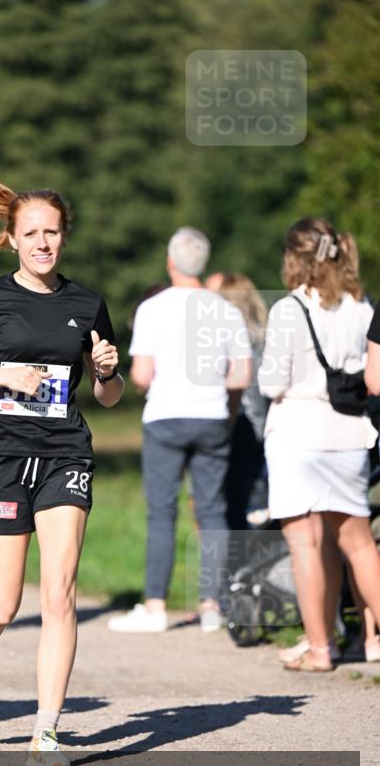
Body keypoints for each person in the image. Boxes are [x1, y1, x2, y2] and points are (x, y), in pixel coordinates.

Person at [0, 172, 123, 766]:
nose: (44, 243)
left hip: (66, 452)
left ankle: (47, 732)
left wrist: (107, 371)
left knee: (61, 591)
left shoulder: (87, 303)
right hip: (3, 455)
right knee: (4, 603)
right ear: (12, 239)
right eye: (32, 233)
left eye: (53, 232)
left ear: (65, 237)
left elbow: (110, 396)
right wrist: (0, 376)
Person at [108, 228, 251, 635]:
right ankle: (212, 605)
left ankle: (155, 605)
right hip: (212, 418)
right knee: (212, 511)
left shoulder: (154, 308)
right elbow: (241, 374)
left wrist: (145, 385)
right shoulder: (225, 309)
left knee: (162, 512)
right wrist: (228, 413)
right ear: (202, 264)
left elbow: (140, 374)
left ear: (171, 263)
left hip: (166, 419)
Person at [258, 217, 380, 670]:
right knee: (359, 544)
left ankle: (320, 648)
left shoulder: (289, 308)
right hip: (351, 435)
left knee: (305, 545)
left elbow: (272, 383)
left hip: (297, 436)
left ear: (293, 256)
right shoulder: (361, 304)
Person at [213, 273, 270, 528]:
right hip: (269, 430)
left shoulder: (225, 339)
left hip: (238, 427)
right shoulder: (268, 336)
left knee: (235, 505)